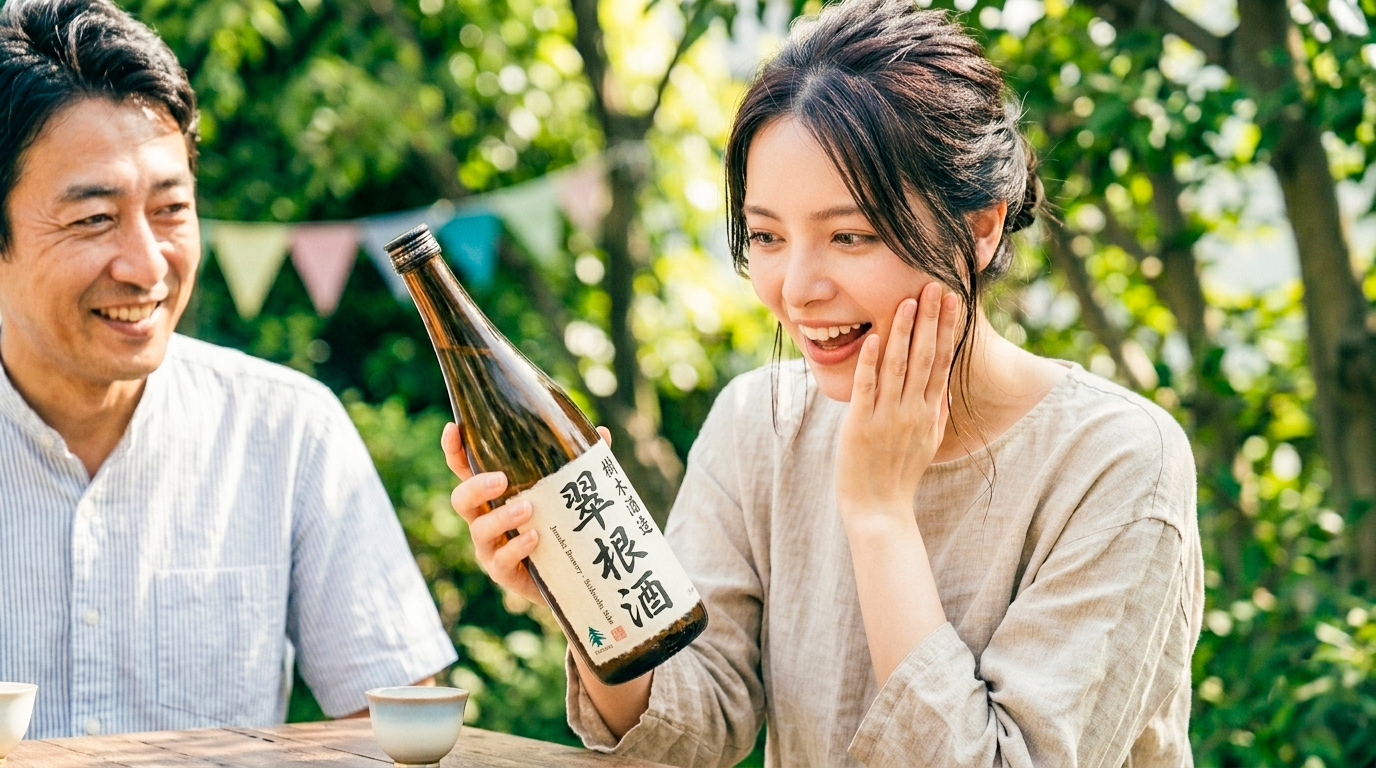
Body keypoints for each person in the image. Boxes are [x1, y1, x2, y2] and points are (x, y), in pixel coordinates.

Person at [445, 0, 1204, 765]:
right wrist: (580, 585)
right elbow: (687, 737)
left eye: (850, 235)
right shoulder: (758, 422)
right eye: (767, 236)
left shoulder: (1117, 460)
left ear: (979, 228)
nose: (798, 289)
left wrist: (879, 512)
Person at [0, 0, 457, 739]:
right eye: (93, 219)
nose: (148, 265)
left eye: (171, 209)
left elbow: (398, 734)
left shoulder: (288, 432)